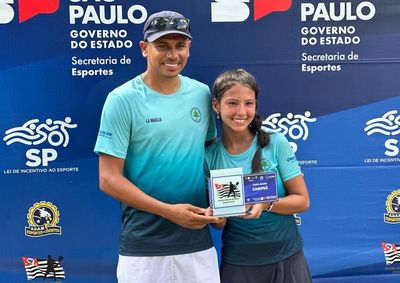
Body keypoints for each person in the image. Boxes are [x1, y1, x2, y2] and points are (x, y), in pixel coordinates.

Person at [94, 10, 222, 283]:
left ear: (189, 48)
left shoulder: (201, 94)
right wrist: (169, 212)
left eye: (180, 45)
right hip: (143, 250)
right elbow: (108, 179)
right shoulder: (121, 99)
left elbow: (210, 159)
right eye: (162, 46)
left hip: (197, 245)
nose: (172, 54)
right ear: (144, 48)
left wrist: (221, 206)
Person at [205, 69, 312, 283]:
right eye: (232, 103)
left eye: (249, 103)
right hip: (240, 264)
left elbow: (302, 201)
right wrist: (216, 217)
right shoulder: (208, 156)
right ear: (216, 106)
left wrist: (266, 204)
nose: (241, 111)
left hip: (288, 258)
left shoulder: (276, 143)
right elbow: (219, 223)